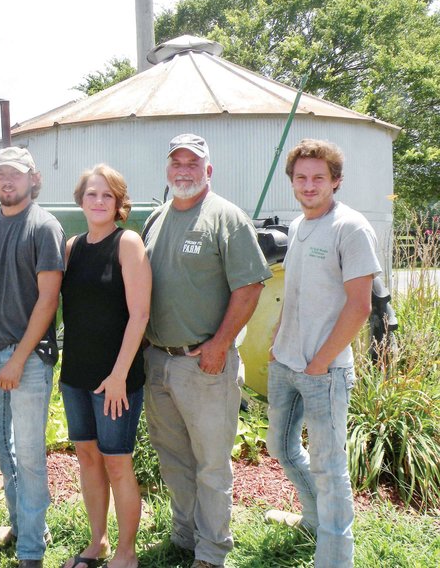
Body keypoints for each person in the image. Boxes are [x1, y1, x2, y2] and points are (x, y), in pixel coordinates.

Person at [142, 134, 272, 568]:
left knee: (211, 464)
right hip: (158, 361)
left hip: (205, 364)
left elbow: (250, 286)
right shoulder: (156, 219)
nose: (183, 170)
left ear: (208, 171)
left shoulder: (226, 218)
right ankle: (184, 535)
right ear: (167, 170)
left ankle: (212, 551)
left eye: (192, 163)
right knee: (173, 455)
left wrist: (220, 345)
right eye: (176, 162)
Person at [265, 139, 380, 567]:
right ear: (292, 182)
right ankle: (313, 519)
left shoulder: (349, 228)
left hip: (325, 371)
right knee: (280, 447)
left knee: (330, 470)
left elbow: (359, 305)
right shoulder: (298, 226)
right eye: (301, 178)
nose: (309, 185)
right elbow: (293, 293)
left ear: (336, 181)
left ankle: (334, 558)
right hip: (287, 362)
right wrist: (279, 343)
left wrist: (318, 362)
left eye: (318, 178)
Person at [0, 146, 65, 568]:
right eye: (0, 174)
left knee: (31, 455)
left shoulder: (44, 226)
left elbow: (48, 299)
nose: (8, 181)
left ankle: (31, 552)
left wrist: (18, 359)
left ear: (32, 178)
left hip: (31, 359)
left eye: (16, 175)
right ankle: (26, 523)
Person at [60, 165, 150, 568]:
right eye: (92, 194)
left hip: (117, 377)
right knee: (87, 457)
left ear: (118, 204)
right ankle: (96, 543)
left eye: (107, 196)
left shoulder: (127, 243)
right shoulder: (72, 246)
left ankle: (126, 553)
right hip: (76, 373)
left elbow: (140, 314)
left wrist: (118, 375)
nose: (99, 201)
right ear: (81, 200)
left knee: (117, 461)